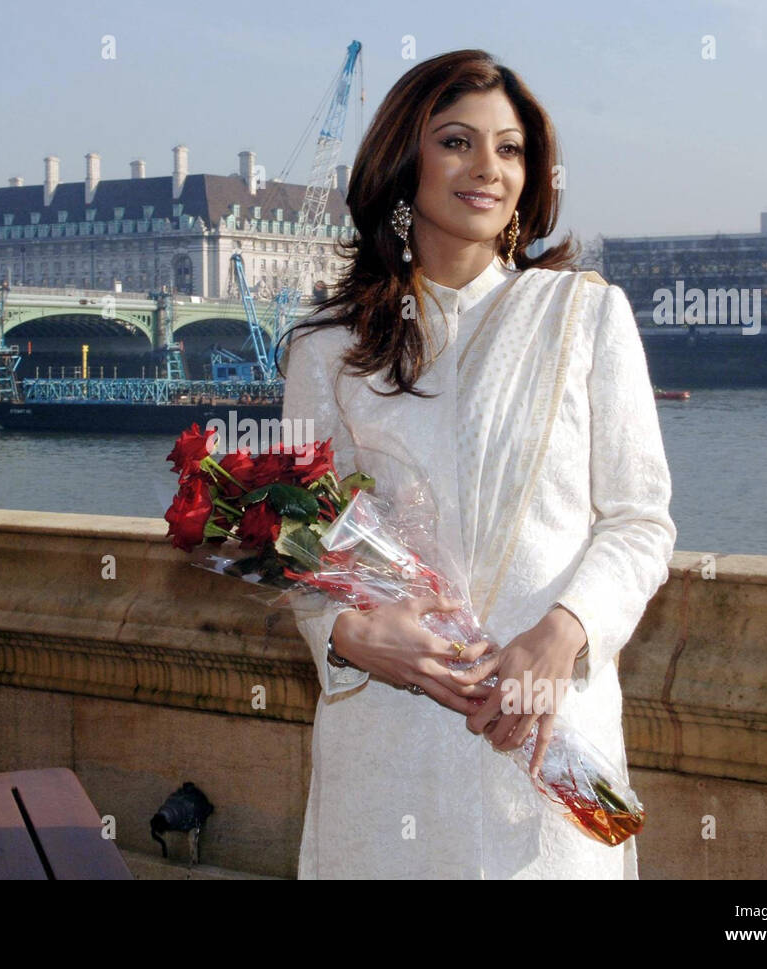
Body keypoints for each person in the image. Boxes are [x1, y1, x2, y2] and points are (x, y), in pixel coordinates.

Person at [275, 49, 676, 879]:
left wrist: (560, 637)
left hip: (549, 745)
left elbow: (640, 522)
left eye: (512, 148)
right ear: (401, 160)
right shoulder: (327, 346)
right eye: (457, 141)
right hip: (386, 757)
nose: (488, 168)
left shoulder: (588, 315)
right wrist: (350, 634)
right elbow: (300, 544)